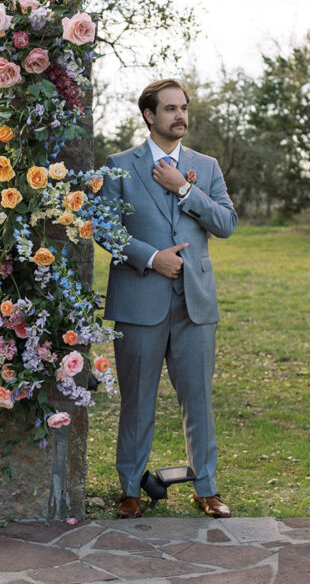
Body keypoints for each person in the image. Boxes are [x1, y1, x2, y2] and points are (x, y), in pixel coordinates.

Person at [99, 79, 237, 520]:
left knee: (198, 400)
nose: (180, 116)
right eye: (171, 109)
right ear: (149, 115)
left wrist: (183, 188)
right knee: (137, 400)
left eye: (184, 108)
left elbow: (226, 223)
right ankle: (130, 490)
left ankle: (206, 488)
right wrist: (151, 257)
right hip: (140, 302)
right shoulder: (119, 166)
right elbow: (104, 229)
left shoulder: (205, 167)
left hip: (195, 304)